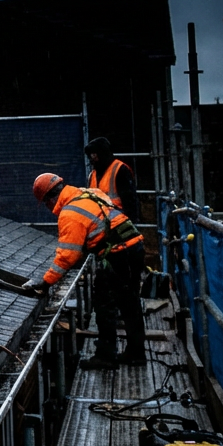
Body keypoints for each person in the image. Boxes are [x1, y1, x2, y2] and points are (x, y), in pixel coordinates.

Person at [22, 173, 146, 369]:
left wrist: (45, 282)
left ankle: (106, 357)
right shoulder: (89, 193)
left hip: (117, 254)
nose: (48, 208)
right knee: (130, 302)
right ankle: (136, 354)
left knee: (105, 303)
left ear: (50, 198)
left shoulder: (70, 213)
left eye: (46, 203)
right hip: (134, 246)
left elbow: (67, 257)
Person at [85, 136, 139, 221]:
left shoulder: (120, 170)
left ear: (102, 153)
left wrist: (129, 225)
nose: (92, 158)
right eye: (91, 155)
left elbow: (129, 201)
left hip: (117, 221)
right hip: (98, 221)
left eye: (94, 154)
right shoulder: (93, 174)